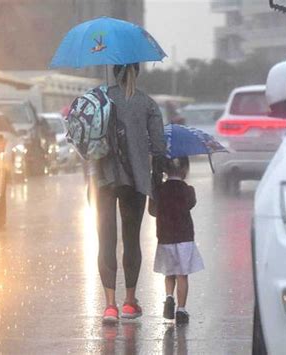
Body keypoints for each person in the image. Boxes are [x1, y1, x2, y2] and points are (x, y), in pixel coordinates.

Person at [91, 63, 166, 323]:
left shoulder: (99, 98)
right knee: (131, 240)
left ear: (114, 71)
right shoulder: (147, 103)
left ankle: (109, 306)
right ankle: (129, 303)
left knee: (106, 240)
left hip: (102, 179)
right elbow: (159, 146)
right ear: (137, 71)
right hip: (135, 180)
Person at [153, 157, 204, 324]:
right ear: (185, 169)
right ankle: (181, 309)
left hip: (165, 237)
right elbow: (191, 203)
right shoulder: (188, 190)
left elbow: (153, 211)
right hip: (184, 238)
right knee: (182, 274)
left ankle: (169, 297)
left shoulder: (160, 190)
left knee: (169, 273)